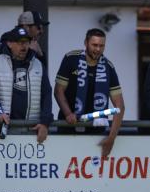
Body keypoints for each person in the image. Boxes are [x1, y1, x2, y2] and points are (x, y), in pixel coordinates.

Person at [54, 28, 126, 157]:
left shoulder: (108, 67)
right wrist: (68, 113)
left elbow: (119, 105)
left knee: (93, 174)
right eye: (94, 45)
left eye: (101, 46)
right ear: (86, 43)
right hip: (68, 127)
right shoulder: (71, 59)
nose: (98, 49)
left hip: (96, 132)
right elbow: (58, 91)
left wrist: (111, 138)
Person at [0, 26, 52, 143]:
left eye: (26, 42)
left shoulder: (38, 65)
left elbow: (47, 95)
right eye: (20, 42)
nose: (24, 46)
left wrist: (45, 123)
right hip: (3, 129)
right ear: (10, 43)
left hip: (32, 130)